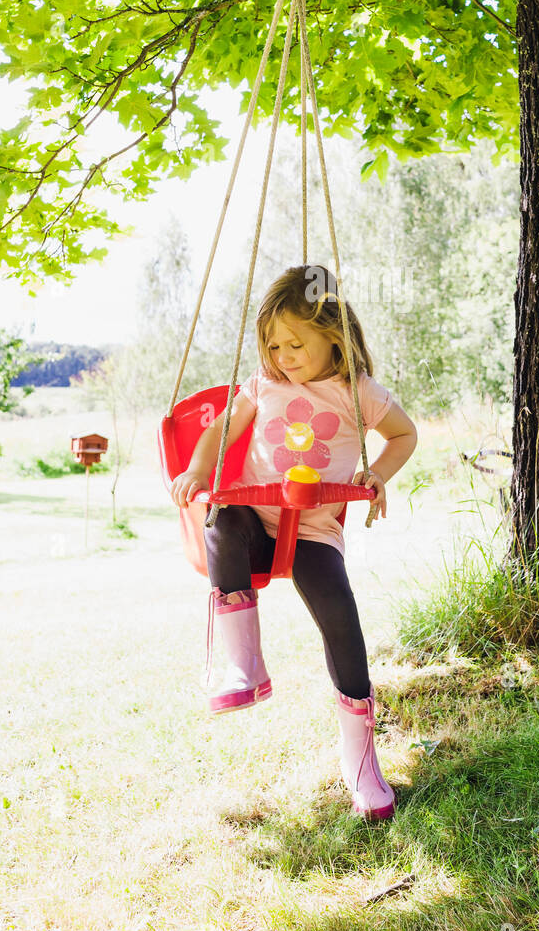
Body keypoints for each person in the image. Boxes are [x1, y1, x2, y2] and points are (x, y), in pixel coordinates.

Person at [170, 265, 418, 821]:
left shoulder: (359, 393)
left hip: (313, 531)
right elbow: (220, 431)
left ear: (334, 333)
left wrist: (377, 474)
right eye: (274, 345)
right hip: (257, 526)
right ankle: (243, 664)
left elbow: (406, 434)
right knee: (222, 519)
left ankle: (360, 758)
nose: (283, 356)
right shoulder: (263, 387)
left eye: (295, 343)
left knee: (340, 619)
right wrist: (196, 470)